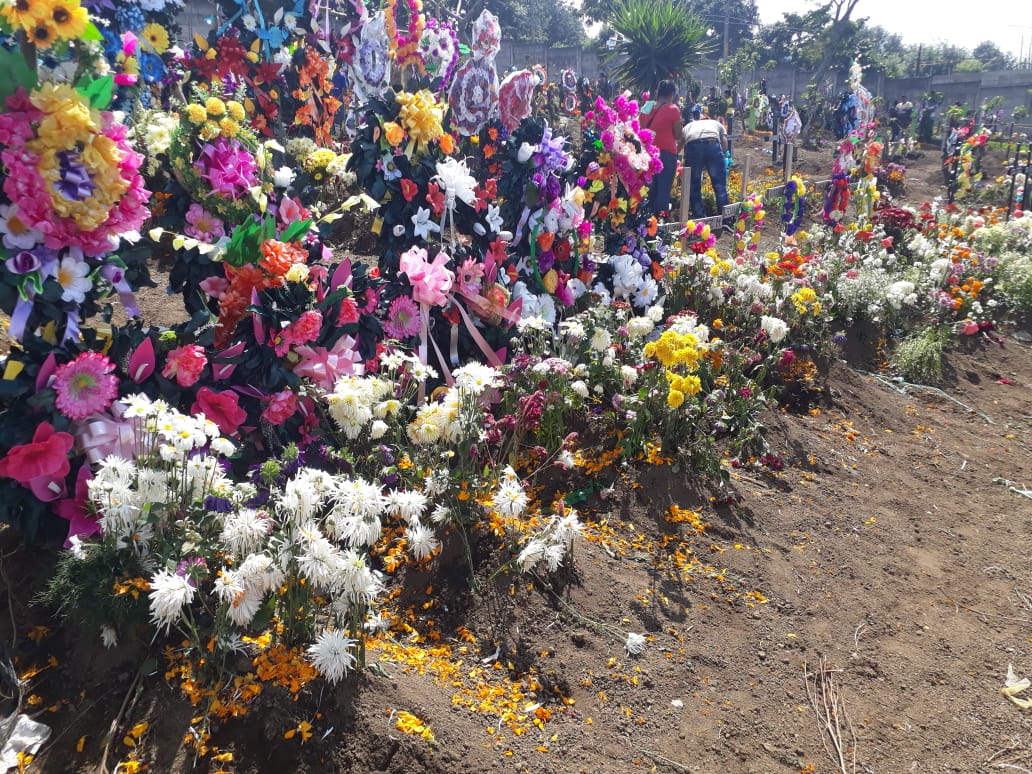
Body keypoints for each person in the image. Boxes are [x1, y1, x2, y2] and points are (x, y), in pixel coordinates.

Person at [640, 80, 683, 217]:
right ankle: (658, 222)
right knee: (663, 189)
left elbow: (641, 128)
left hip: (648, 153)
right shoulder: (673, 109)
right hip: (666, 155)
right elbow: (678, 135)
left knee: (649, 188)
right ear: (671, 94)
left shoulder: (646, 106)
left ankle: (646, 218)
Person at [682, 109, 729, 224]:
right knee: (719, 185)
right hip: (712, 142)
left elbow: (681, 145)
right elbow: (724, 142)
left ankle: (699, 217)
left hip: (693, 145)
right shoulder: (717, 124)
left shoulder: (689, 126)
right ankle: (726, 219)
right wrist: (719, 159)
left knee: (694, 184)